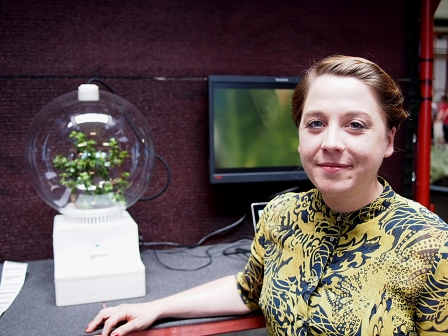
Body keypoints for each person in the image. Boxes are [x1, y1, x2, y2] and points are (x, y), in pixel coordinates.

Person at [86, 55, 448, 336]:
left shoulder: (431, 245)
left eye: (356, 125)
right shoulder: (281, 213)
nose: (331, 143)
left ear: (388, 139)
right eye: (316, 123)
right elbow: (248, 290)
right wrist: (156, 307)